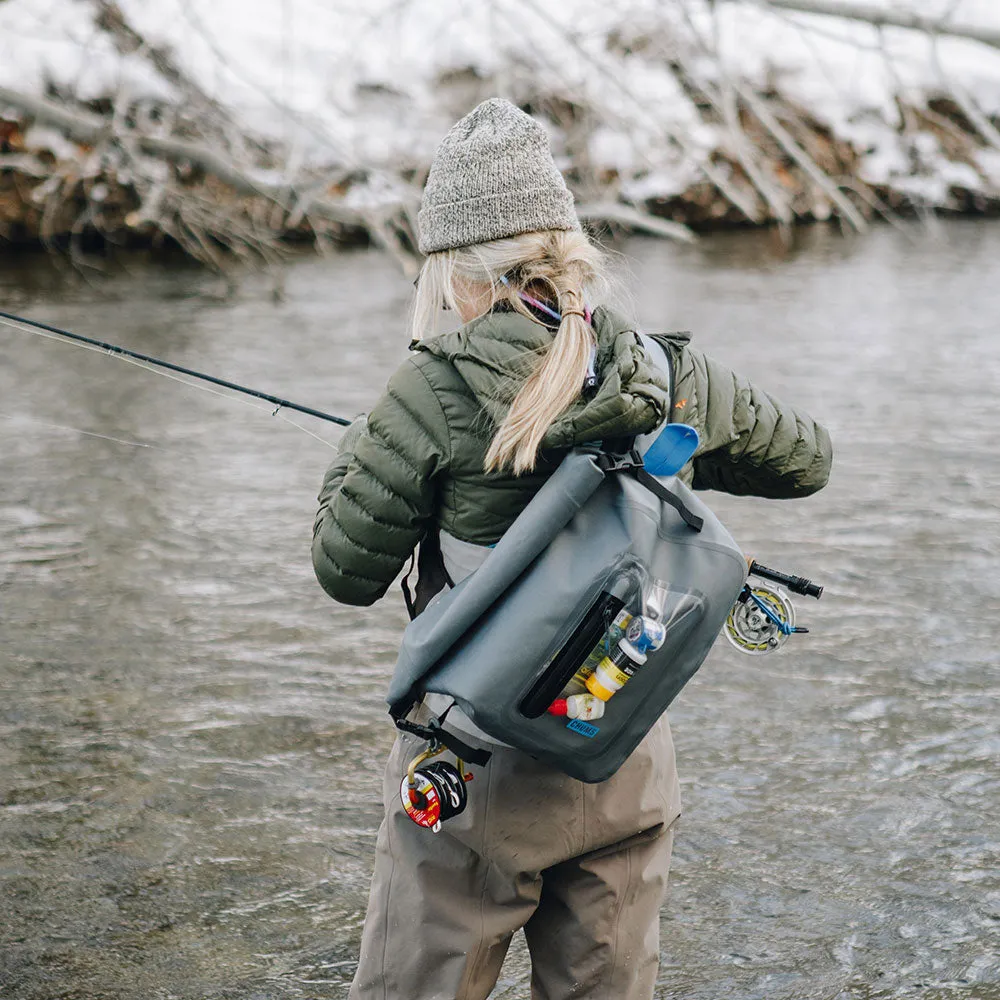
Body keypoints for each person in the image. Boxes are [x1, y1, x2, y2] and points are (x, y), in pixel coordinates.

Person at [312, 98, 832, 1000]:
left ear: (455, 271)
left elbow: (344, 568)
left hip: (477, 770)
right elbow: (807, 460)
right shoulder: (668, 375)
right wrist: (689, 433)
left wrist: (360, 451)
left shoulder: (428, 391)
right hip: (621, 742)